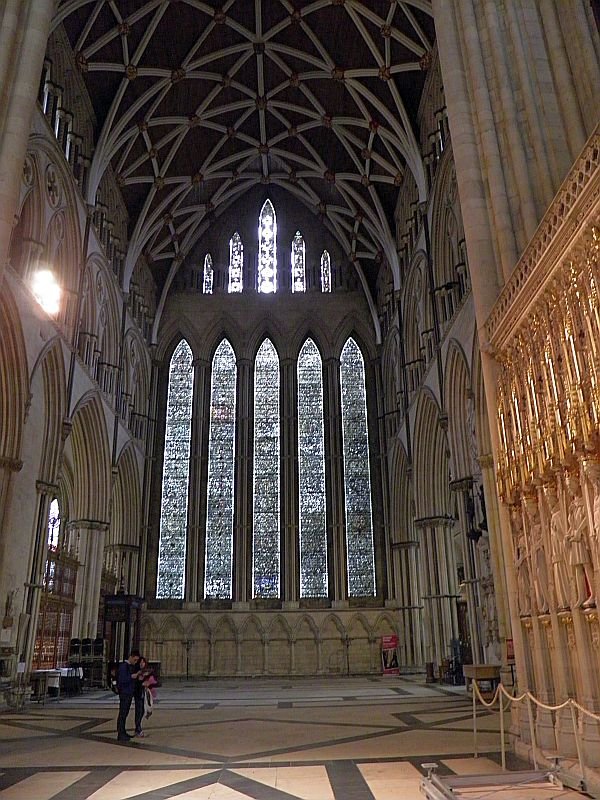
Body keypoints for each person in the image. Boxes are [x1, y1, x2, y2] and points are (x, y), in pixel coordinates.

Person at [116, 649, 140, 742]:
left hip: (129, 692)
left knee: (125, 713)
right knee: (122, 714)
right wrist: (131, 676)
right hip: (124, 693)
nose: (135, 662)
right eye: (135, 660)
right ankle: (120, 733)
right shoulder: (124, 666)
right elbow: (122, 679)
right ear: (131, 657)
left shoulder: (130, 666)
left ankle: (123, 731)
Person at [133, 656, 156, 737]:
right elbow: (135, 683)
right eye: (140, 662)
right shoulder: (136, 671)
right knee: (139, 711)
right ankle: (138, 729)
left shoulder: (147, 672)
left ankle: (138, 728)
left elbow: (156, 682)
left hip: (144, 694)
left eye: (143, 662)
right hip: (138, 693)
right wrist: (141, 682)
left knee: (142, 710)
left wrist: (148, 683)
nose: (141, 664)